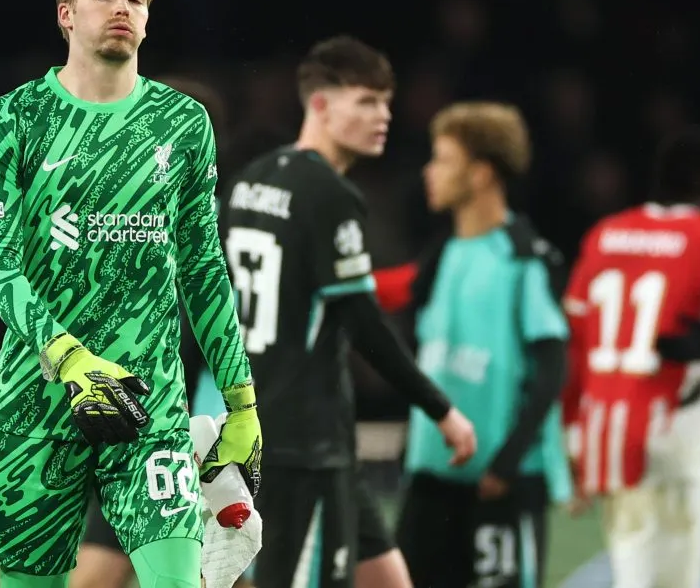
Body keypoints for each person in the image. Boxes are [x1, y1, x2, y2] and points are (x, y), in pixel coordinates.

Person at [0, 0, 263, 588]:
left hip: (147, 401)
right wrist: (69, 356)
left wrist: (241, 400)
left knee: (180, 580)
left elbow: (204, 267)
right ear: (66, 14)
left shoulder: (182, 122)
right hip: (38, 398)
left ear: (149, 18)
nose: (123, 7)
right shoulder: (11, 118)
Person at [219, 35, 478, 588]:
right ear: (320, 105)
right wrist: (442, 410)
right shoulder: (329, 195)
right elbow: (364, 324)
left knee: (388, 580)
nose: (383, 116)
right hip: (302, 442)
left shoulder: (249, 182)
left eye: (385, 101)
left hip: (271, 424)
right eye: (365, 102)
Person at [70, 77, 271, 588]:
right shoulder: (205, 218)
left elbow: (192, 320)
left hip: (179, 415)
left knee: (116, 570)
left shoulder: (191, 225)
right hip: (181, 412)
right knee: (220, 567)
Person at [373, 101, 572, 588]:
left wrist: (507, 463)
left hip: (499, 482)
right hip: (430, 477)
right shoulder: (441, 255)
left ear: (481, 173)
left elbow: (551, 369)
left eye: (442, 158)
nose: (429, 171)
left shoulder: (524, 257)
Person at [561, 127, 700, 588]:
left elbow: (572, 343)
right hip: (672, 425)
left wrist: (570, 436)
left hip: (605, 429)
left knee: (633, 569)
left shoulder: (605, 234)